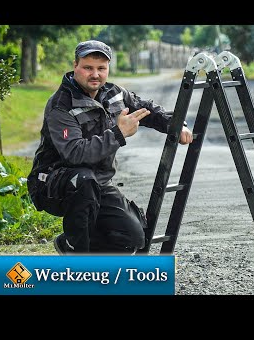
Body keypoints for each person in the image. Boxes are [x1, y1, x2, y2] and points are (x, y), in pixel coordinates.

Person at [27, 40, 193, 255]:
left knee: (132, 239)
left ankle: (69, 243)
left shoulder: (114, 94)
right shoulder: (61, 105)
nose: (95, 74)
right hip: (53, 184)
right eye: (88, 68)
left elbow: (147, 110)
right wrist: (119, 133)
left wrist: (176, 124)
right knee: (83, 179)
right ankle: (79, 258)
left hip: (98, 183)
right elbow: (76, 154)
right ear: (75, 65)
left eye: (101, 68)